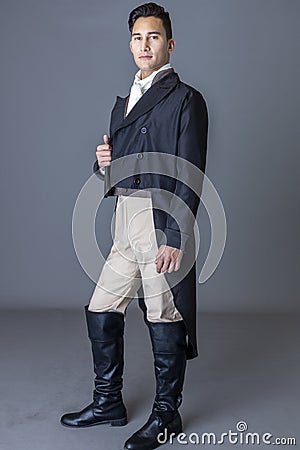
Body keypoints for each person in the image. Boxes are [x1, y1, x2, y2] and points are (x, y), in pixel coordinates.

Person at [60, 3, 208, 449]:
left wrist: (178, 237)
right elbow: (119, 170)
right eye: (138, 37)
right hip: (125, 220)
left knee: (164, 314)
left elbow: (192, 172)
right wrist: (101, 163)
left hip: (160, 221)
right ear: (130, 44)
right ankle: (108, 402)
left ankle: (167, 414)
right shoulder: (123, 103)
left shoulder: (186, 99)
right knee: (102, 307)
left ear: (170, 44)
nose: (145, 45)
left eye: (154, 37)